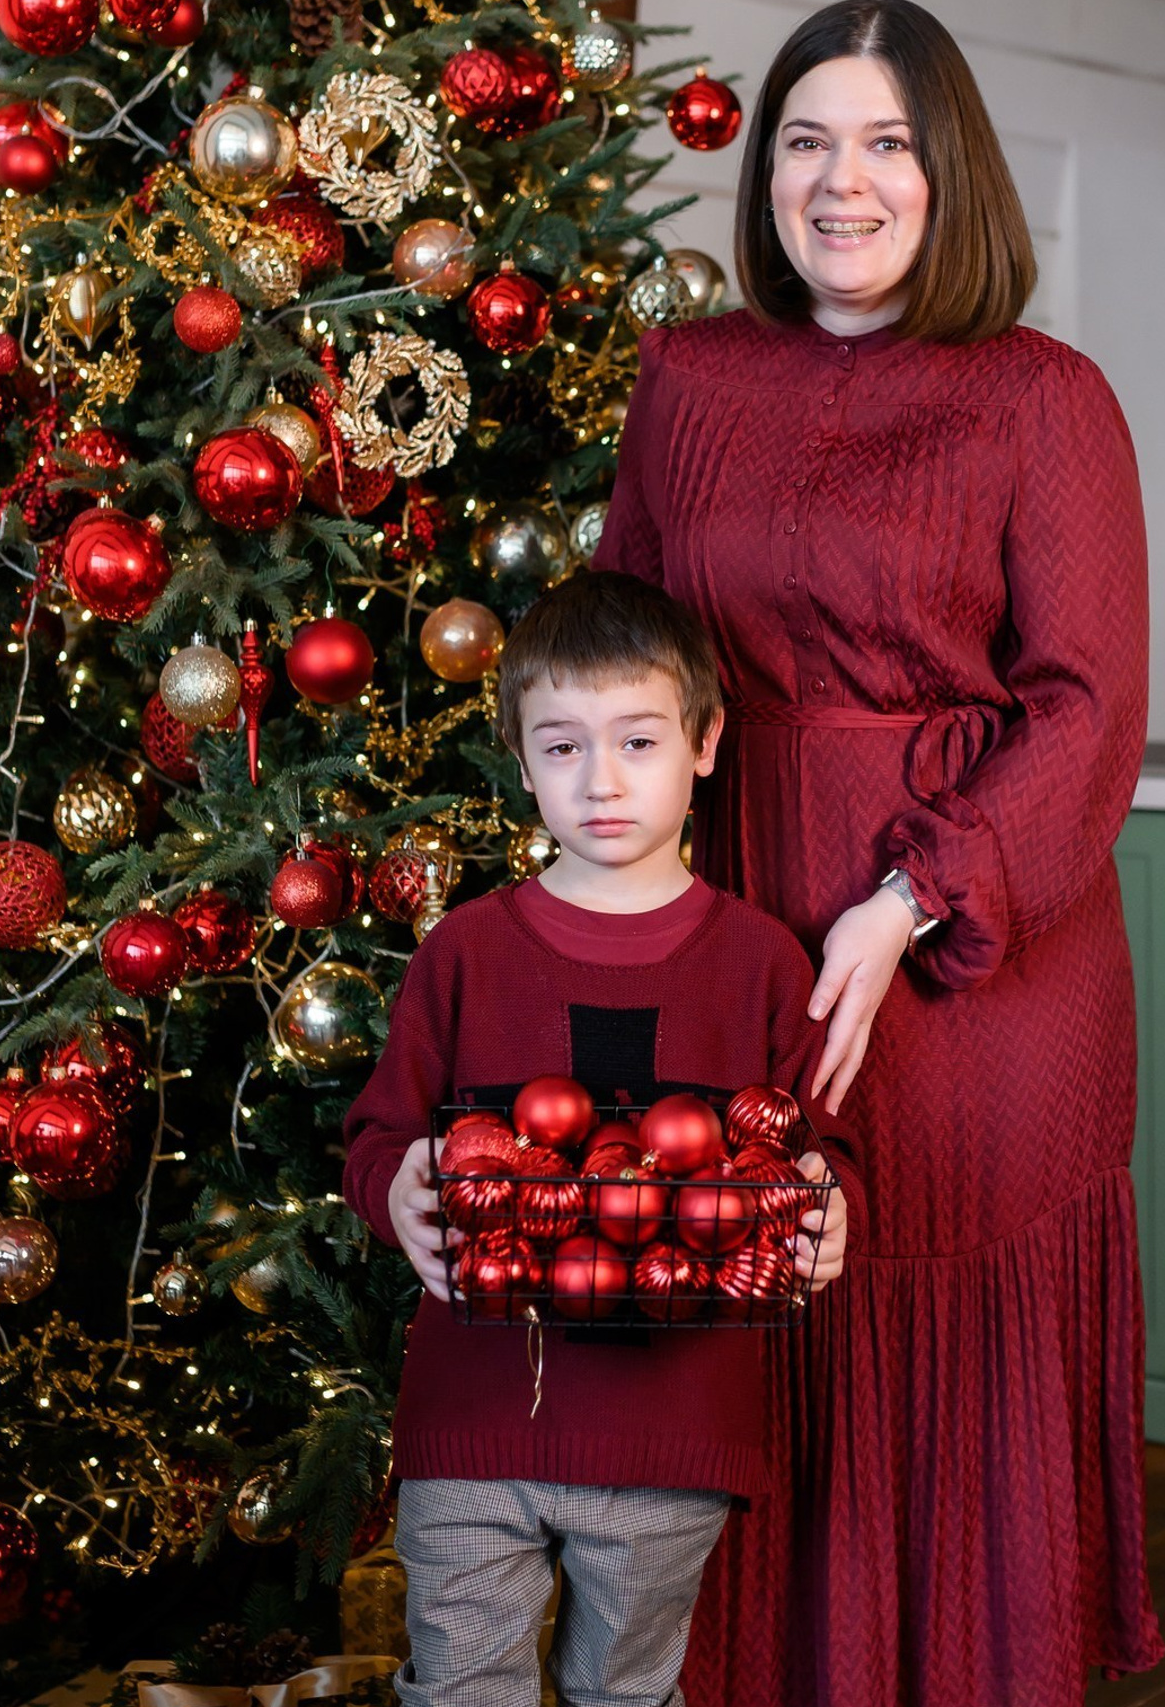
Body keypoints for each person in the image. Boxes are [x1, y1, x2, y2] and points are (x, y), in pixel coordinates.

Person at [593, 0, 1163, 1706]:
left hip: (975, 962)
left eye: (887, 143)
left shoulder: (1046, 398)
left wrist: (906, 901)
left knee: (924, 1325)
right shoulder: (687, 378)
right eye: (806, 141)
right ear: (766, 172)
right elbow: (629, 659)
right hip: (738, 918)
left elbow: (1088, 709)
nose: (842, 181)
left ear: (950, 171)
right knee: (755, 1309)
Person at [341, 569, 862, 1707]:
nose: (602, 781)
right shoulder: (465, 954)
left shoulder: (762, 964)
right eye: (563, 747)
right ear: (522, 763)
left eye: (637, 741)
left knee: (624, 1694)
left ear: (704, 745)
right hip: (475, 1426)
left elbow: (821, 1148)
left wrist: (829, 1212)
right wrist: (398, 1192)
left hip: (671, 1440)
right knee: (463, 1689)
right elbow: (381, 1136)